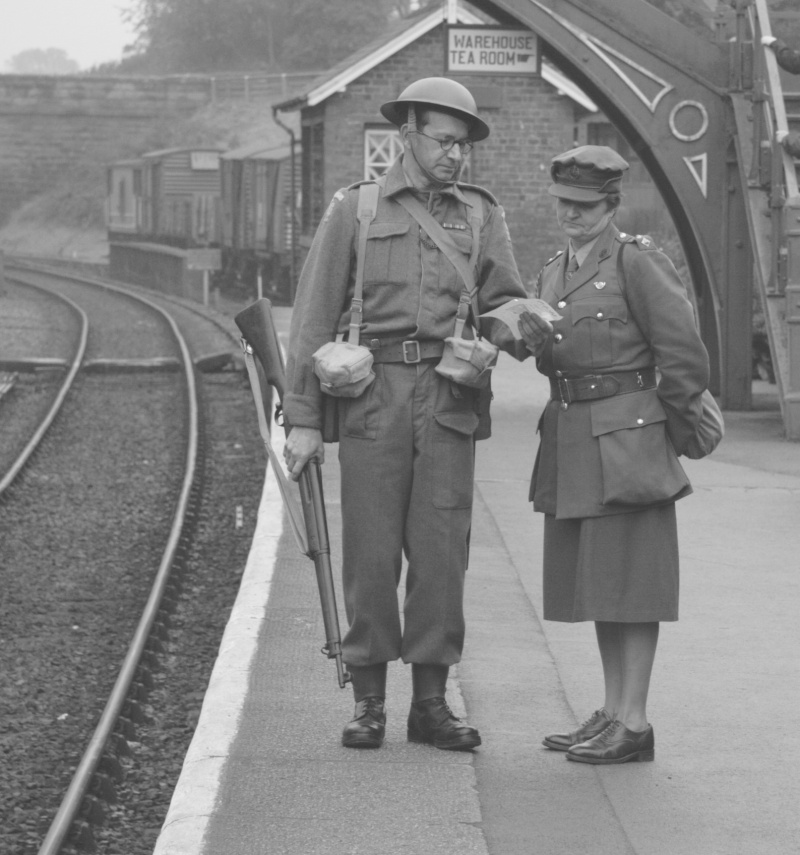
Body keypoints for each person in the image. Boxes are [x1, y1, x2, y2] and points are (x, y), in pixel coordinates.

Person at [283, 77, 528, 751]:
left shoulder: (480, 215)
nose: (455, 155)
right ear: (408, 135)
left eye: (463, 145)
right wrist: (303, 417)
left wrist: (513, 327)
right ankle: (368, 701)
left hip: (449, 394)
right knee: (368, 551)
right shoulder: (356, 209)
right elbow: (311, 318)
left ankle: (430, 703)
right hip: (373, 393)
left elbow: (506, 296)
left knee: (443, 553)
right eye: (444, 140)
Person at [518, 145, 710, 764]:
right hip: (574, 439)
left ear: (609, 205)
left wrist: (679, 434)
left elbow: (682, 353)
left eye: (583, 207)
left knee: (634, 585)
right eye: (563, 206)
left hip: (629, 441)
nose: (570, 216)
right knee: (602, 584)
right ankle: (610, 709)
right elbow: (552, 353)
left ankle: (636, 720)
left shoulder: (637, 261)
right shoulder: (553, 270)